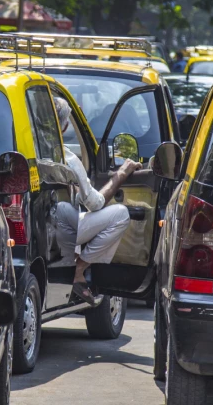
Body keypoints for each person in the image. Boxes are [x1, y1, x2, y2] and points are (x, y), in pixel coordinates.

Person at [53, 97, 142, 305]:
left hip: (44, 224)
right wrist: (121, 174)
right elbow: (95, 203)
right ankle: (78, 270)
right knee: (120, 214)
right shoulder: (68, 159)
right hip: (60, 226)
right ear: (64, 127)